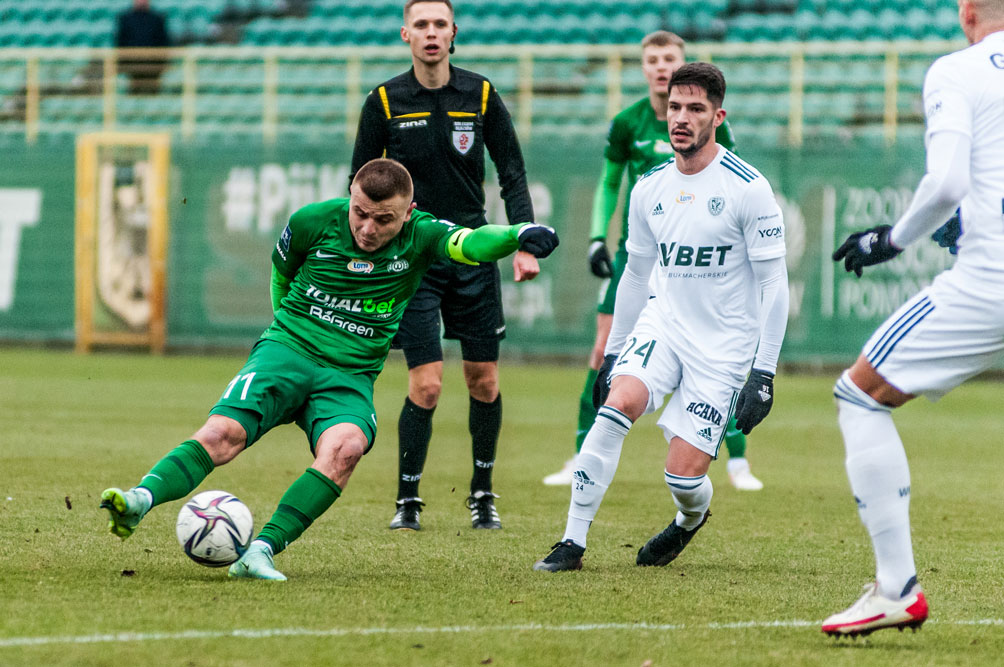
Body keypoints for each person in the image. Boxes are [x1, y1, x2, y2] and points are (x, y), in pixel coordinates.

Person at [100, 158, 558, 581]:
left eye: (384, 219)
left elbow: (470, 242)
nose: (368, 227)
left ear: (407, 212)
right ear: (350, 197)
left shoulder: (421, 234)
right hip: (288, 350)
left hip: (349, 374)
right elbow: (282, 272)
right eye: (360, 212)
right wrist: (283, 332)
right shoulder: (312, 221)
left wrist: (517, 235)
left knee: (346, 447)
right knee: (223, 435)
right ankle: (141, 499)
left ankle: (260, 550)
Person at [533, 63, 788, 573]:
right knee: (617, 403)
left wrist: (764, 373)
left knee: (683, 479)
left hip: (724, 349)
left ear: (718, 116)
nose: (682, 118)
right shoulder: (649, 186)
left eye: (695, 109)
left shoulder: (748, 188)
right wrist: (614, 349)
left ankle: (688, 521)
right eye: (675, 107)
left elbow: (774, 285)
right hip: (663, 326)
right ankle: (571, 542)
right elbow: (634, 275)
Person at [822, 0, 1004, 638]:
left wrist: (890, 240)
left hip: (993, 280)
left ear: (967, 12)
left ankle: (896, 588)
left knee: (859, 394)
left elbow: (948, 183)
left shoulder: (958, 70)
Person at [541, 31, 764, 493]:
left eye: (670, 58)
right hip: (637, 253)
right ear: (643, 67)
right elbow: (608, 182)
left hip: (694, 258)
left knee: (716, 357)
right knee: (603, 351)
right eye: (653, 59)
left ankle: (736, 460)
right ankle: (583, 451)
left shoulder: (710, 126)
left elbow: (729, 187)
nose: (661, 66)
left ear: (682, 64)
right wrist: (598, 236)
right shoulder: (629, 122)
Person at [350, 0, 539, 532]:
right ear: (405, 33)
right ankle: (407, 500)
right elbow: (360, 184)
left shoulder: (480, 93)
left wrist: (523, 240)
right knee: (426, 384)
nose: (431, 33)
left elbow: (512, 170)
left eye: (440, 25)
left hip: (472, 253)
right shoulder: (384, 99)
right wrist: (364, 244)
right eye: (422, 25)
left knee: (483, 380)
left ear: (453, 34)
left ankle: (482, 493)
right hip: (413, 258)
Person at [115, 0, 170, 95]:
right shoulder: (125, 18)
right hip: (132, 65)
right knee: (134, 93)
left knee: (153, 93)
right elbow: (121, 41)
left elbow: (163, 41)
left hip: (153, 65)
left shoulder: (157, 18)